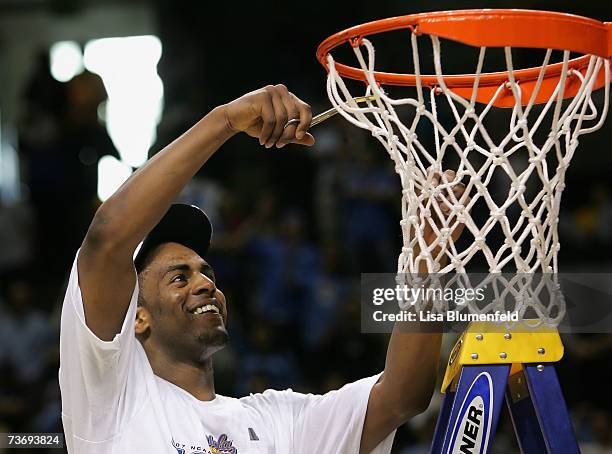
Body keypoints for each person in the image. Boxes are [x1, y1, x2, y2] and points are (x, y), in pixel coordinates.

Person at [59, 85, 462, 453]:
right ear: (138, 318)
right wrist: (226, 121)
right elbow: (106, 240)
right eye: (179, 277)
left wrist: (427, 258)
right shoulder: (109, 395)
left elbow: (402, 395)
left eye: (208, 274)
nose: (203, 284)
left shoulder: (278, 420)